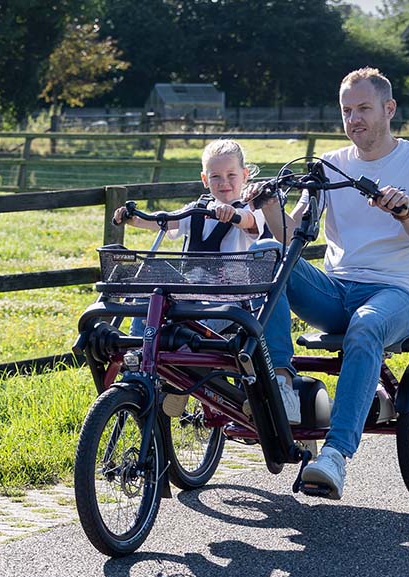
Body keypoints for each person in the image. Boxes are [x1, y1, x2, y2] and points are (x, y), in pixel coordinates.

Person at [248, 67, 409, 500]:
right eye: (346, 110)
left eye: (363, 108)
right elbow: (291, 235)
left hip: (398, 292)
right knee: (262, 256)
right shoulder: (329, 165)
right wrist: (267, 206)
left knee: (365, 325)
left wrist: (403, 212)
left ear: (389, 109)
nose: (353, 118)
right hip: (335, 290)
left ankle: (334, 456)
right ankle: (281, 383)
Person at [114, 139, 300, 421]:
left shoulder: (254, 209)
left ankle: (182, 382)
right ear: (204, 179)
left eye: (231, 176)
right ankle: (137, 362)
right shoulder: (197, 209)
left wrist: (234, 215)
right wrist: (135, 219)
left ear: (245, 175)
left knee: (195, 330)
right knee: (150, 282)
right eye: (215, 177)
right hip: (193, 297)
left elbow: (250, 223)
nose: (224, 183)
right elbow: (167, 220)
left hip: (233, 302)